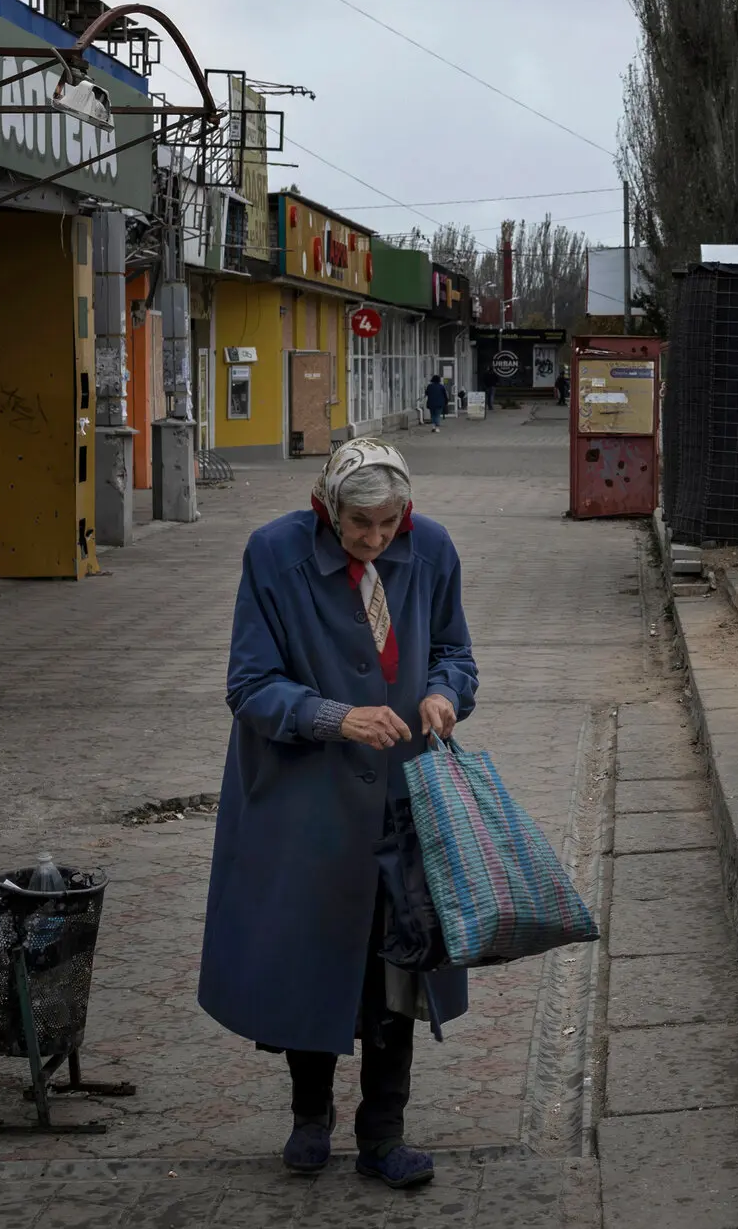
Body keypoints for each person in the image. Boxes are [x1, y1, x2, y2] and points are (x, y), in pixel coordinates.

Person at [198, 439, 478, 1187]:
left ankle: (384, 1131)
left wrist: (445, 694)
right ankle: (309, 1115)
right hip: (306, 802)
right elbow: (249, 684)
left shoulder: (431, 548)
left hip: (400, 797)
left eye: (390, 522)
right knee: (312, 958)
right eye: (360, 523)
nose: (375, 538)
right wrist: (334, 716)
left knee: (399, 964)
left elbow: (456, 652)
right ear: (325, 504)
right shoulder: (274, 554)